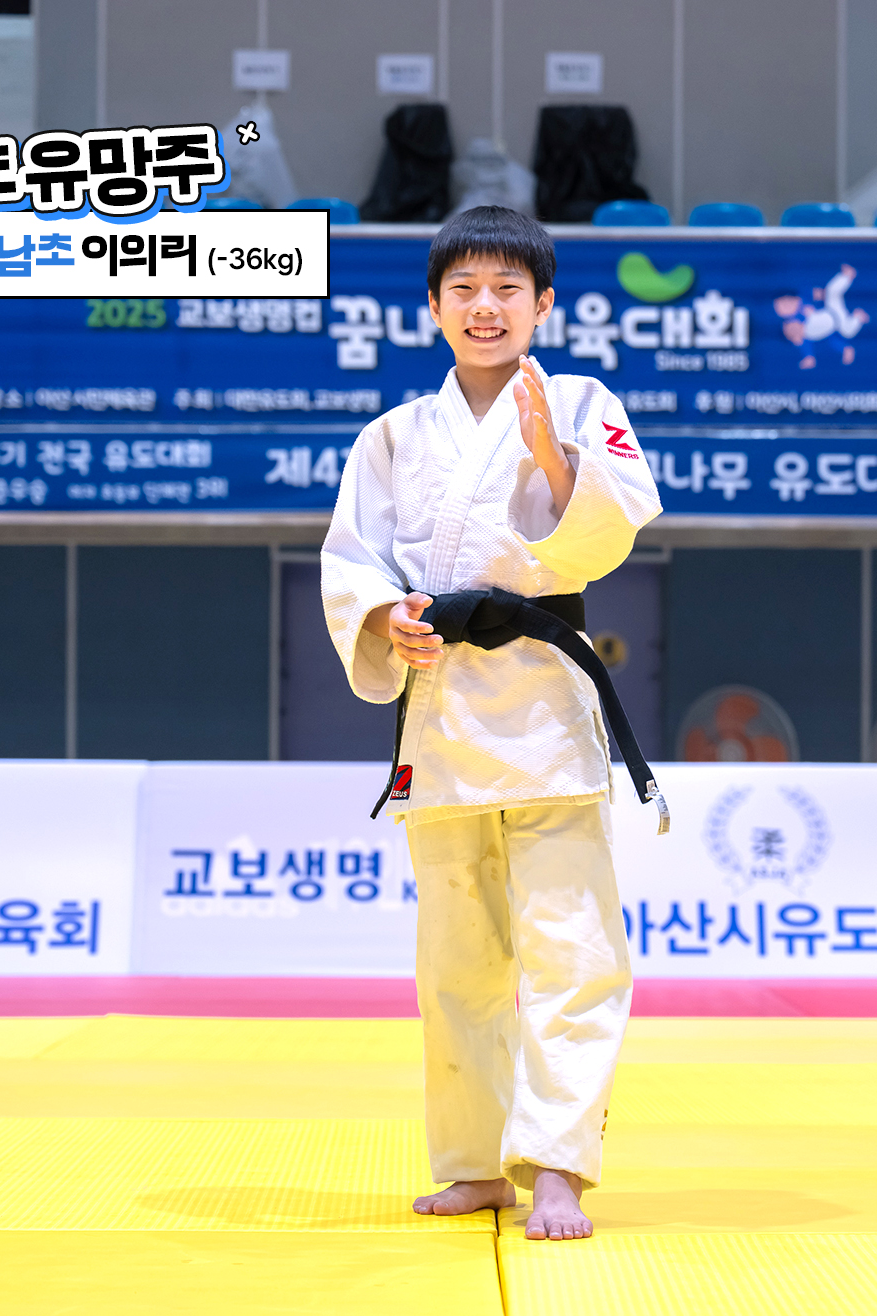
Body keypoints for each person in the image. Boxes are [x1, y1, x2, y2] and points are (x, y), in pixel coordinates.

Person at [320, 206, 662, 1241]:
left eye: (508, 288)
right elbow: (352, 559)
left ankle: (558, 1164)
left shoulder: (583, 402)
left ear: (543, 304)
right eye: (463, 289)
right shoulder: (392, 436)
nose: (485, 306)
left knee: (572, 952)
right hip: (443, 718)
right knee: (456, 964)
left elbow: (610, 531)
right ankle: (472, 1164)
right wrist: (385, 618)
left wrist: (553, 460)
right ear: (433, 306)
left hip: (546, 717)